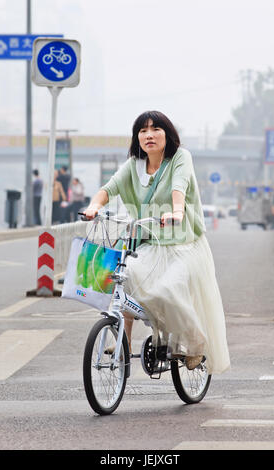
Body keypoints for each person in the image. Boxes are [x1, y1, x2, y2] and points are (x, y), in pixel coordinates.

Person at [83, 110, 230, 374]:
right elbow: (109, 188)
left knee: (165, 291)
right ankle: (124, 340)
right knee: (123, 279)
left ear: (167, 134)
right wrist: (94, 206)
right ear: (136, 137)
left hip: (183, 246)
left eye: (155, 129)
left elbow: (179, 187)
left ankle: (195, 341)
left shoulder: (180, 158)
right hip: (150, 244)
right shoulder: (133, 166)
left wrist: (176, 211)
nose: (149, 135)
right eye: (143, 130)